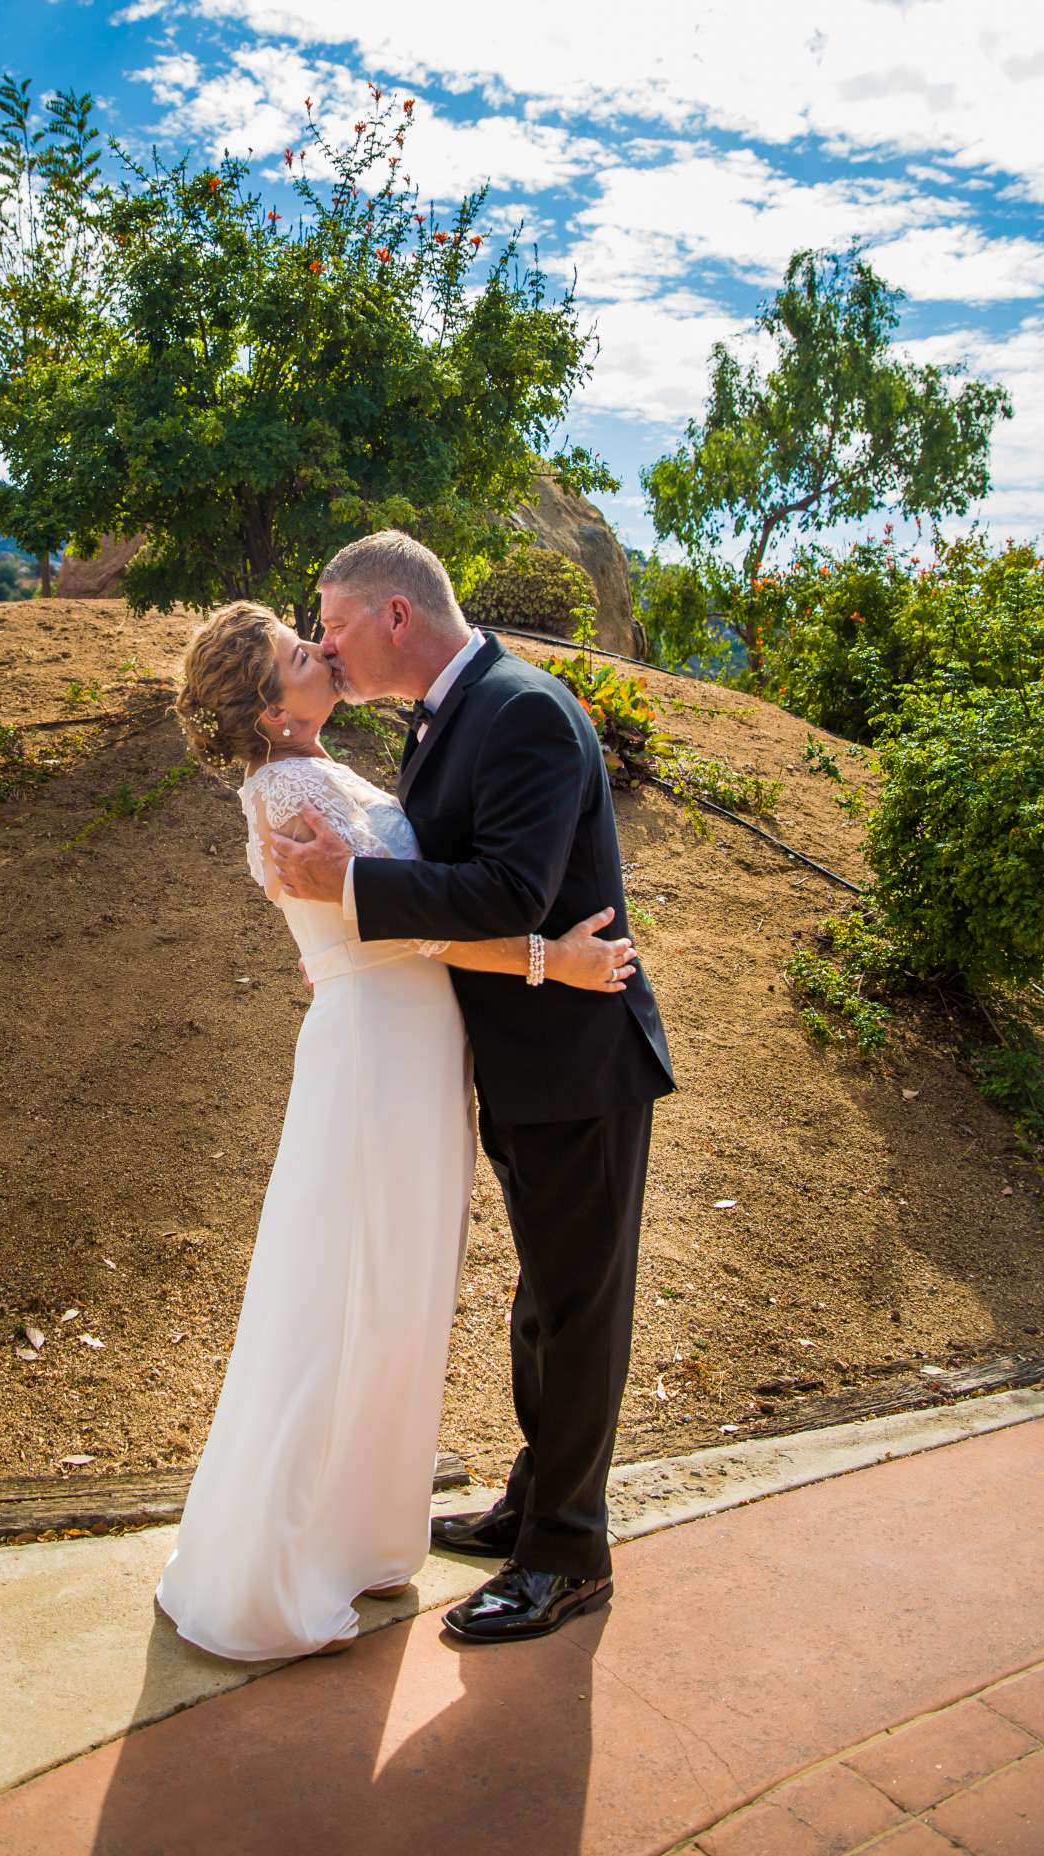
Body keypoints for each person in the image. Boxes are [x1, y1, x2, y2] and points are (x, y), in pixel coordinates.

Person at [154, 597, 639, 1664]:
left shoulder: (317, 771)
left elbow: (400, 907)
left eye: (316, 631)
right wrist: (554, 961)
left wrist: (350, 928)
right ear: (270, 708)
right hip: (381, 1056)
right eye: (297, 650)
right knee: (349, 1293)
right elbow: (413, 927)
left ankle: (367, 1531)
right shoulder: (288, 786)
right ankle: (287, 1560)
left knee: (391, 1294)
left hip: (413, 1049)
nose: (320, 648)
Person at [270, 530, 674, 1647]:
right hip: (519, 1057)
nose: (324, 642)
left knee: (581, 1307)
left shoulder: (523, 708)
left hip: (579, 1057)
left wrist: (355, 884)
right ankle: (530, 1505)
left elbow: (508, 890)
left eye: (332, 618)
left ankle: (568, 1555)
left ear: (395, 615)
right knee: (544, 1303)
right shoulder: (449, 712)